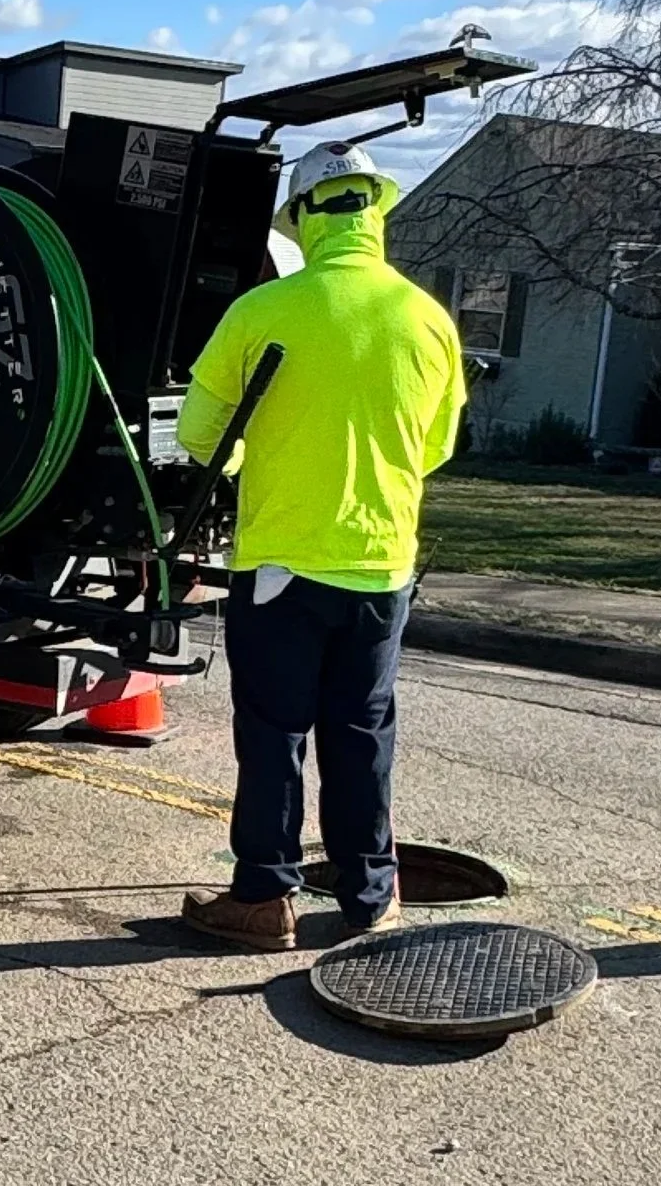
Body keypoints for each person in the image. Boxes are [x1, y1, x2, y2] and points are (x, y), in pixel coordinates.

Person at [176, 141, 466, 953]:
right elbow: (435, 444)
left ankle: (265, 898)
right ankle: (372, 894)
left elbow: (203, 438)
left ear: (303, 219)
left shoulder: (263, 312)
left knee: (275, 731)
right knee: (363, 729)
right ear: (377, 208)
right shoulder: (429, 319)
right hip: (383, 565)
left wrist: (256, 457)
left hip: (281, 565)